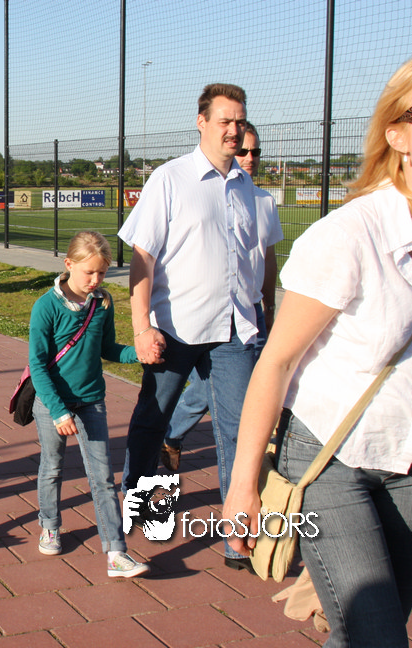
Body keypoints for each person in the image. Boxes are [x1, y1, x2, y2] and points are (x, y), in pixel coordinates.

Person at [224, 53, 412, 647]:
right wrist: (242, 486)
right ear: (397, 135)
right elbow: (278, 361)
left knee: (375, 623)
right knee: (378, 635)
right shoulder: (351, 234)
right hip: (328, 457)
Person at [118, 83, 264, 572]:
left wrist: (260, 315)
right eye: (225, 121)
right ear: (201, 122)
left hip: (234, 330)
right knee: (152, 420)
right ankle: (136, 505)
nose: (234, 130)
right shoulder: (171, 178)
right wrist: (141, 327)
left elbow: (253, 261)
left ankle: (237, 538)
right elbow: (142, 257)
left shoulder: (245, 187)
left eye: (239, 121)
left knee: (239, 432)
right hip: (175, 329)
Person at [159, 122, 282, 472]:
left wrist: (269, 305)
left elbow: (267, 257)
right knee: (172, 406)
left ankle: (235, 491)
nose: (249, 157)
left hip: (247, 315)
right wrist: (144, 322)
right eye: (243, 150)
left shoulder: (263, 201)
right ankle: (166, 444)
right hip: (195, 317)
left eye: (255, 151)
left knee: (233, 411)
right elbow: (150, 253)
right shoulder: (187, 185)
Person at [29, 231, 149, 577]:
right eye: (89, 272)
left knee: (102, 477)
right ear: (69, 265)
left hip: (91, 401)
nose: (96, 280)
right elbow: (37, 365)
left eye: (102, 273)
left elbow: (108, 349)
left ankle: (116, 552)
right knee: (52, 467)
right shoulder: (46, 306)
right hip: (52, 403)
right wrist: (58, 411)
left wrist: (139, 353)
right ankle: (50, 526)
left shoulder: (102, 304)